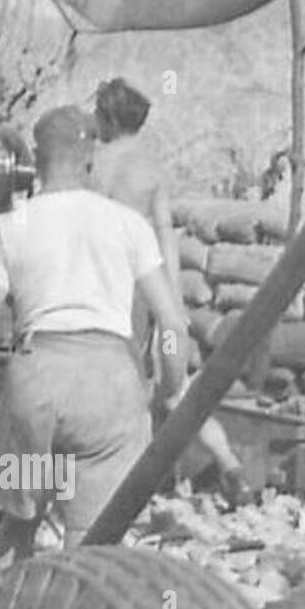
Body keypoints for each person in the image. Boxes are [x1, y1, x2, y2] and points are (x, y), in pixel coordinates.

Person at [0, 105, 190, 564]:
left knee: (17, 526)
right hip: (110, 386)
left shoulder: (4, 227)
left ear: (36, 161)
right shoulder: (128, 225)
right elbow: (173, 325)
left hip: (32, 381)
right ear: (90, 159)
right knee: (94, 546)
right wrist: (172, 391)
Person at [92, 76, 254, 506]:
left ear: (106, 116)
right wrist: (173, 300)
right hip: (143, 286)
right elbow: (165, 234)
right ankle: (229, 466)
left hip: (100, 283)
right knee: (170, 385)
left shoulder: (95, 163)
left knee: (115, 382)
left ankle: (122, 481)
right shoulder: (149, 168)